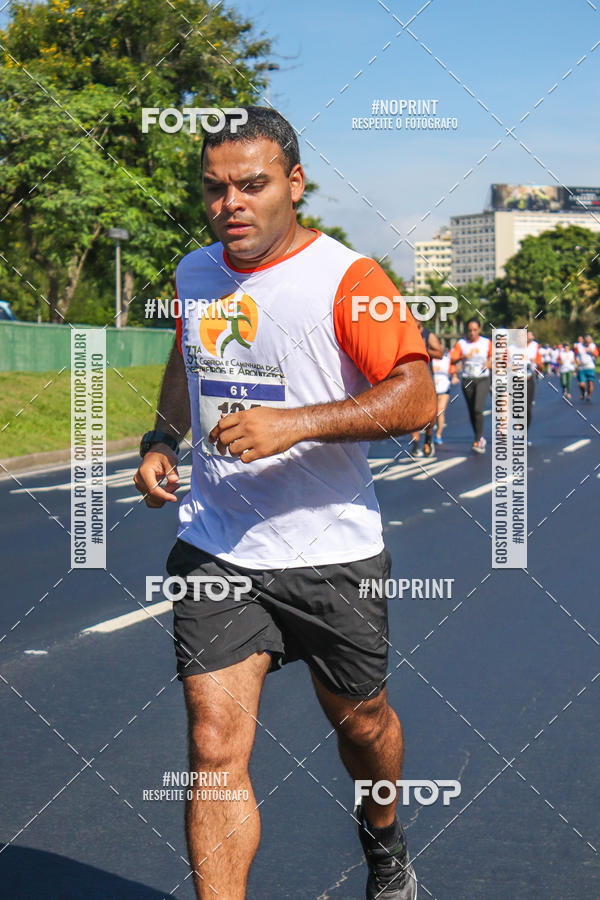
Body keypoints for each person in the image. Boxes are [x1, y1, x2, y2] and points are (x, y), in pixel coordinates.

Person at [133, 107, 435, 900]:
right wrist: (159, 442)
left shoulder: (348, 278)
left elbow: (417, 398)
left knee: (362, 724)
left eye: (252, 185)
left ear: (293, 185)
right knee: (212, 743)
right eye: (214, 188)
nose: (230, 203)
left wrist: (295, 425)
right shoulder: (195, 274)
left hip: (331, 551)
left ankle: (384, 840)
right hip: (220, 545)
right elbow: (186, 359)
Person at [449, 318, 492, 453]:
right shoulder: (462, 344)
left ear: (479, 329)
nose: (472, 333)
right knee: (472, 411)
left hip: (482, 379)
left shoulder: (486, 343)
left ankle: (478, 439)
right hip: (468, 380)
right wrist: (454, 372)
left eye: (474, 330)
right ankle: (478, 437)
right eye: (469, 330)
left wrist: (489, 362)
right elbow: (453, 358)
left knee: (478, 409)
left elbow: (494, 357)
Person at [409, 322, 443, 457]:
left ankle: (428, 440)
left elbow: (440, 353)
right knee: (412, 413)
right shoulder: (406, 334)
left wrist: (424, 349)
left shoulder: (428, 335)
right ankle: (416, 445)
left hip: (426, 378)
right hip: (410, 378)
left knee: (429, 413)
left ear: (420, 321)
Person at [431, 346, 455, 444]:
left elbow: (452, 371)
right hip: (431, 388)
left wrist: (454, 377)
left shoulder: (446, 360)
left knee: (440, 411)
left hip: (444, 388)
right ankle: (428, 436)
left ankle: (438, 434)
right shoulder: (430, 360)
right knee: (432, 413)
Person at [525, 331, 543, 432]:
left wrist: (537, 363)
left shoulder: (535, 347)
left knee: (527, 409)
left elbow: (540, 365)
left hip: (528, 378)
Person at [575, 334, 599, 401]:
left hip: (590, 367)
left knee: (590, 383)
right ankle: (583, 393)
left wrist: (591, 351)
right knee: (581, 384)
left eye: (589, 342)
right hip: (581, 368)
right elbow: (575, 355)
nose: (588, 343)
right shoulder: (579, 346)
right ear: (584, 341)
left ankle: (589, 396)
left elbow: (597, 355)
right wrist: (577, 361)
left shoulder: (592, 346)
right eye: (586, 342)